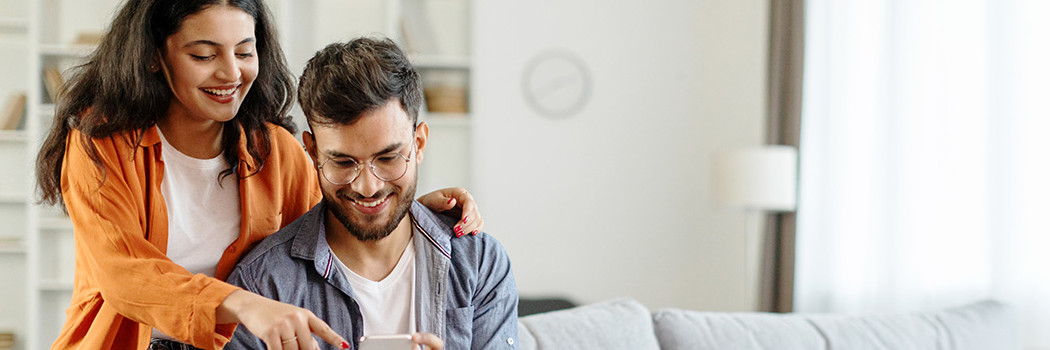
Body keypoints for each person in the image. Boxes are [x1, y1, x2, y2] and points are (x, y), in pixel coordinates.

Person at [33, 1, 484, 349]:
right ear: (154, 56)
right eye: (203, 54)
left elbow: (327, 234)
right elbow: (123, 273)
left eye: (245, 52)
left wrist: (403, 211)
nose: (231, 73)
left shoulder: (275, 151)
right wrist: (243, 305)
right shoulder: (100, 143)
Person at [224, 37, 518, 350]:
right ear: (312, 152)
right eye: (343, 162)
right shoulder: (262, 286)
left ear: (418, 144)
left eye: (388, 158)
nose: (368, 187)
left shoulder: (478, 262)